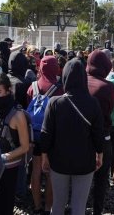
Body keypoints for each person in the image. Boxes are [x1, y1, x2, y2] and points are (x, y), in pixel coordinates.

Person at [41, 58, 104, 215]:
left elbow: (46, 133)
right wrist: (100, 154)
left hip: (59, 160)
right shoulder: (93, 103)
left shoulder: (54, 103)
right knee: (79, 206)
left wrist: (44, 156)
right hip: (85, 161)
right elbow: (98, 133)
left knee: (58, 204)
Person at [0, 73, 30, 215]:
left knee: (5, 205)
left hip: (9, 169)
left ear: (8, 91)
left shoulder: (18, 115)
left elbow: (25, 146)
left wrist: (3, 157)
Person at [27, 56, 63, 215]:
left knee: (36, 170)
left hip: (35, 135)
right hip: (53, 136)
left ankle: (36, 207)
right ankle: (49, 207)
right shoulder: (60, 88)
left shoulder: (32, 86)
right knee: (49, 173)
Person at [86, 49, 114, 215]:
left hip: (82, 136)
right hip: (103, 137)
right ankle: (97, 209)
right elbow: (108, 111)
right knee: (101, 178)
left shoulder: (79, 81)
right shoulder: (108, 87)